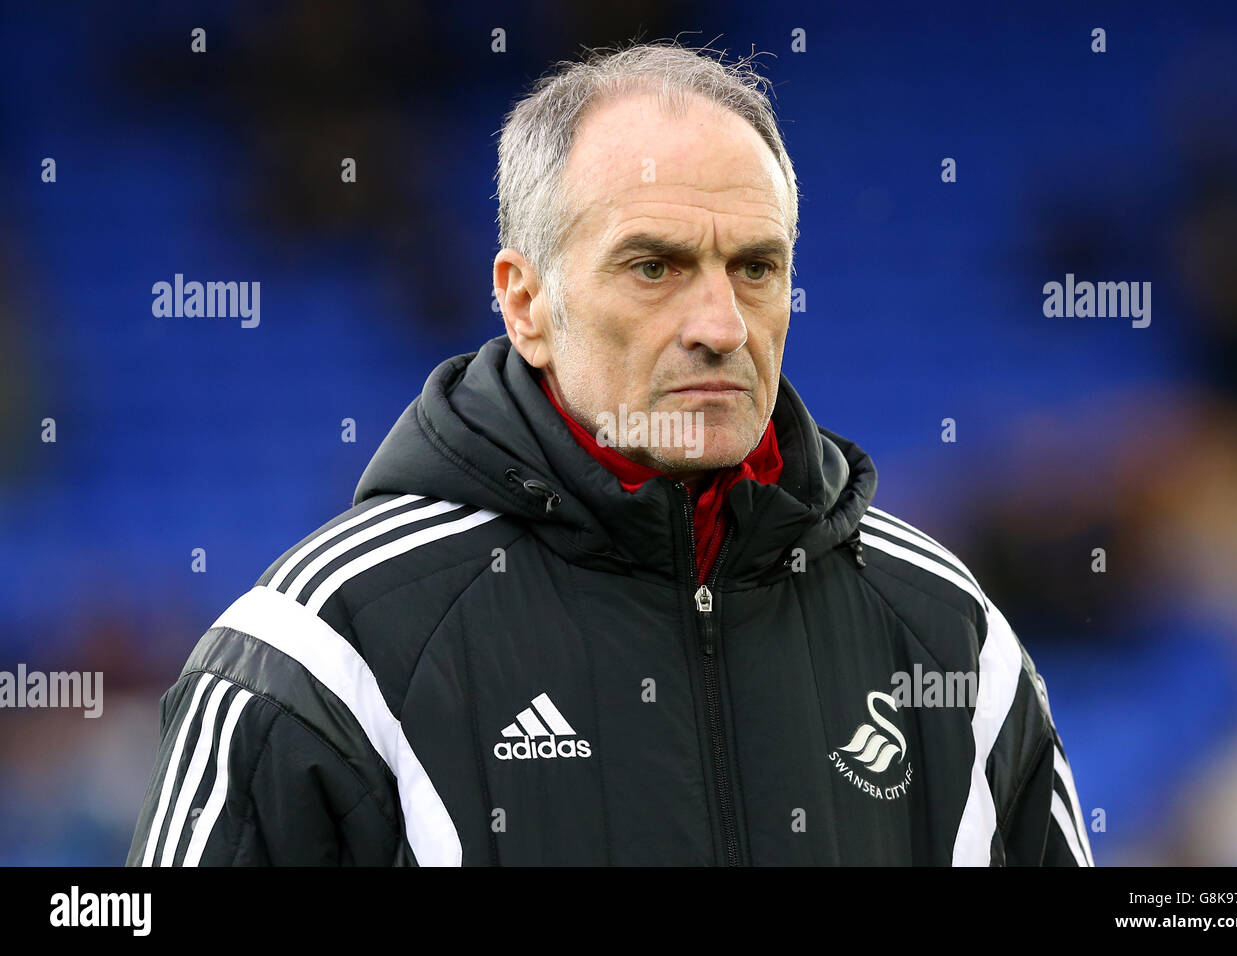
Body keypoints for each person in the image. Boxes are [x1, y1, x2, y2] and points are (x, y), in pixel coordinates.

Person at [126, 41, 1093, 866]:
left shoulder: (950, 634)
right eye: (655, 267)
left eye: (756, 267)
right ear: (525, 302)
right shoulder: (327, 651)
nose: (720, 324)